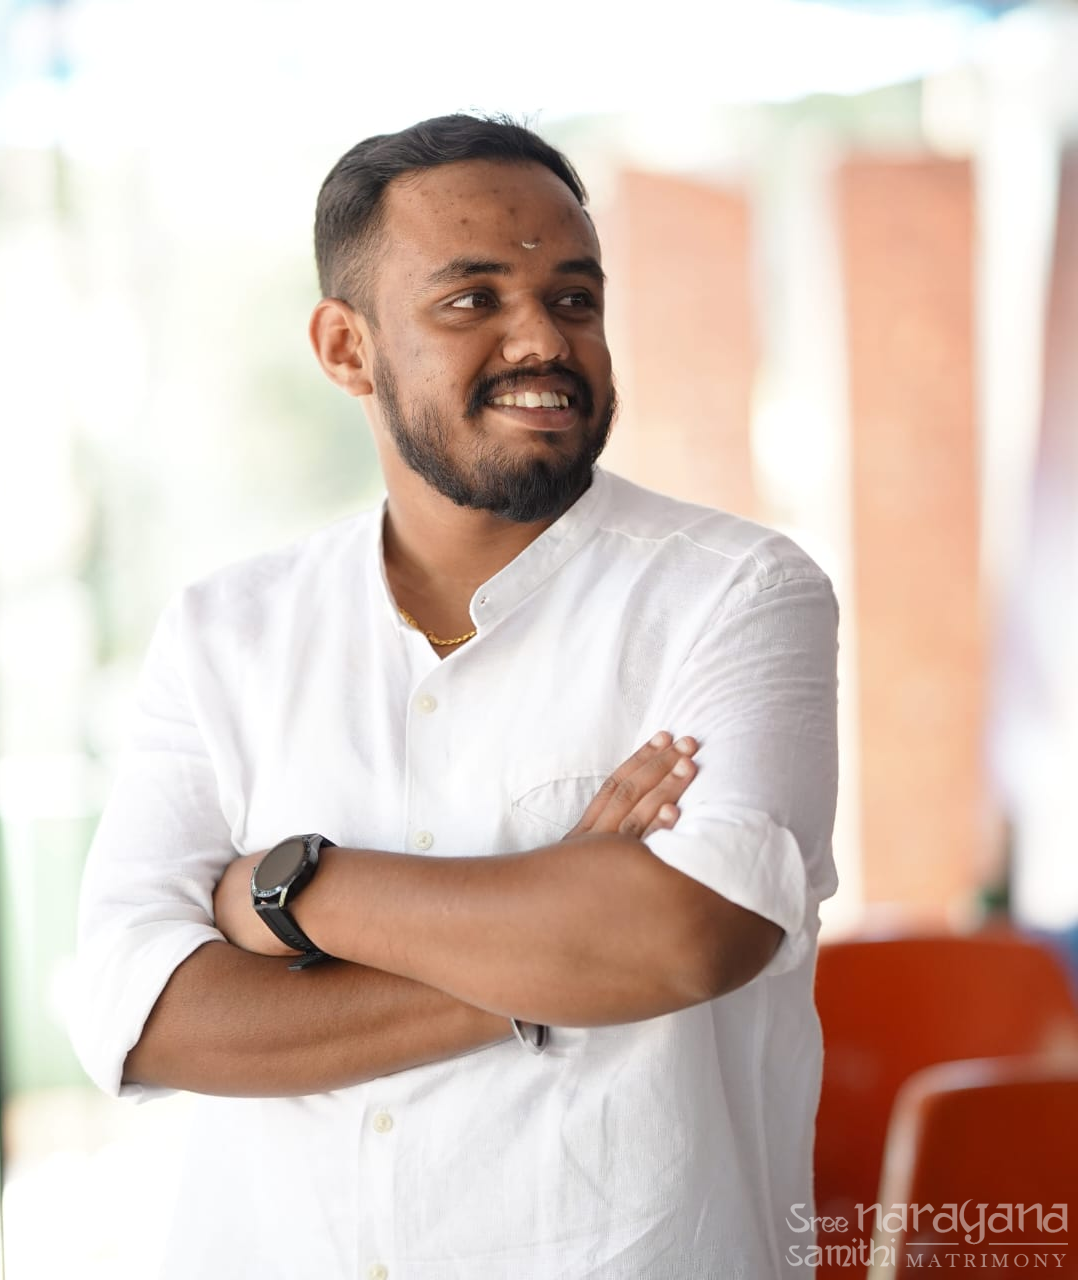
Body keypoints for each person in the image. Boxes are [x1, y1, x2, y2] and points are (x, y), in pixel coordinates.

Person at [69, 113, 839, 1279]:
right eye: (471, 299)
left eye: (573, 297)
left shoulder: (736, 592)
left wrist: (292, 890)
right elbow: (142, 1015)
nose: (542, 338)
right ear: (347, 347)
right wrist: (553, 956)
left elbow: (688, 931)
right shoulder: (226, 633)